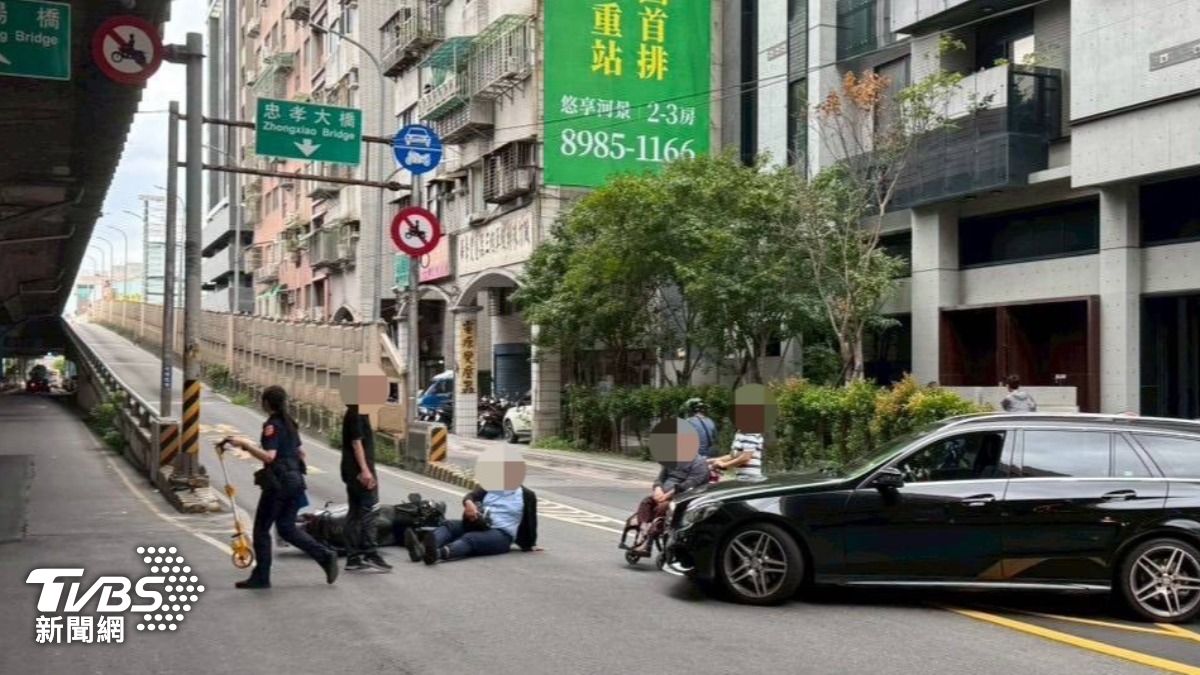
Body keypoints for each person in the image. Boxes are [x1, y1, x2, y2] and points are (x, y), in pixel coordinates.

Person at [220, 386, 339, 589]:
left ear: (266, 403)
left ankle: (261, 577)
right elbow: (301, 453)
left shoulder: (272, 425)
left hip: (279, 484)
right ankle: (325, 556)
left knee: (261, 530)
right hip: (295, 481)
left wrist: (244, 445)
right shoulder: (290, 423)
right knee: (286, 527)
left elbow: (269, 457)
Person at [404, 484, 539, 564]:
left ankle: (436, 554)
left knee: (471, 538)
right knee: (449, 525)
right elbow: (470, 496)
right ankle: (421, 549)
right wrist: (469, 504)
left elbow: (531, 522)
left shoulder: (527, 495)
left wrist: (530, 544)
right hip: (478, 523)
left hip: (501, 535)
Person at [341, 403, 391, 571]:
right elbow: (356, 442)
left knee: (355, 513)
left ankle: (353, 558)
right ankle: (370, 553)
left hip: (351, 470)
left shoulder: (355, 411)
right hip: (359, 471)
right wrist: (365, 470)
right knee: (371, 510)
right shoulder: (356, 412)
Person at [631, 452, 710, 554]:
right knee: (646, 502)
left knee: (661, 508)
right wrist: (658, 489)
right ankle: (643, 531)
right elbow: (660, 478)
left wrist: (667, 495)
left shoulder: (699, 463)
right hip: (663, 494)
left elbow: (689, 484)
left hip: (681, 498)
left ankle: (648, 542)